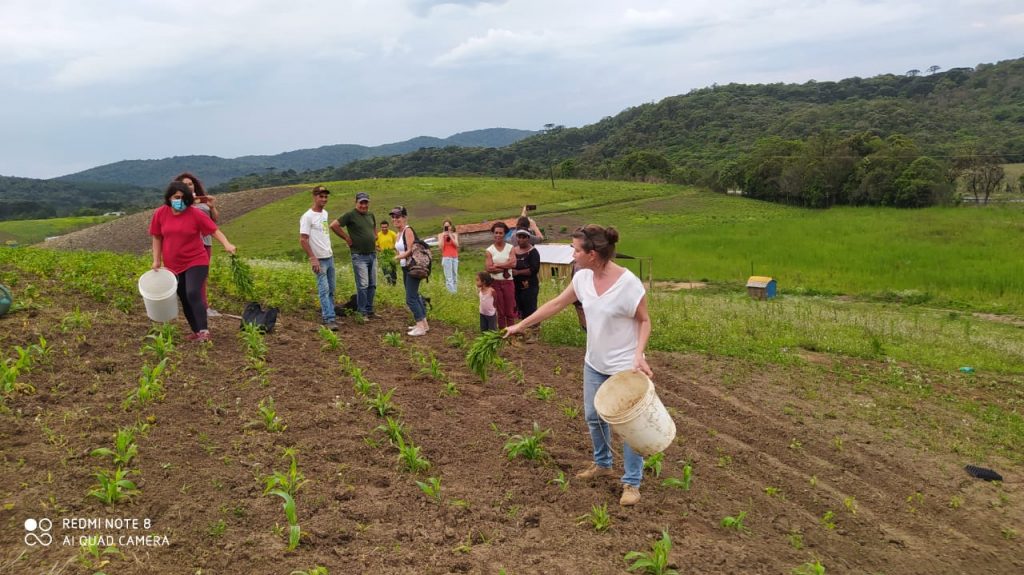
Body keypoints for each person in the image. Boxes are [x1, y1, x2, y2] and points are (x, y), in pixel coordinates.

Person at [505, 224, 651, 507]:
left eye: (575, 249)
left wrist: (640, 354)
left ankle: (632, 483)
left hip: (623, 366)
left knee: (629, 426)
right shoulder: (583, 278)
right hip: (594, 362)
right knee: (593, 416)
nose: (572, 255)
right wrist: (521, 325)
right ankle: (603, 464)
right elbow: (557, 303)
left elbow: (644, 320)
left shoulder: (628, 283)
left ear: (592, 254)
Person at [149, 180, 237, 342]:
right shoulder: (160, 213)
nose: (179, 201)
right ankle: (196, 331)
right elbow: (157, 237)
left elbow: (214, 230)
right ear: (169, 197)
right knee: (183, 296)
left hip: (196, 260)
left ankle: (204, 331)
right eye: (176, 197)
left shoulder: (195, 213)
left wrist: (227, 244)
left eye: (183, 198)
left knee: (193, 292)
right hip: (173, 264)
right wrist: (156, 260)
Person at [173, 172, 220, 317]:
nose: (188, 186)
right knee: (186, 278)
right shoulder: (178, 202)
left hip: (205, 242)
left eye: (190, 184)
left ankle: (203, 307)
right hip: (188, 245)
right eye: (184, 185)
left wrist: (211, 207)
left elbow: (213, 221)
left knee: (202, 277)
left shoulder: (202, 201)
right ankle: (195, 306)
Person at [330, 192, 377, 319]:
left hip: (372, 254)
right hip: (359, 255)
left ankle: (369, 309)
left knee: (372, 284)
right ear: (356, 202)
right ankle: (361, 312)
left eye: (365, 202)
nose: (363, 205)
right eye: (361, 202)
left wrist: (374, 237)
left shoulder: (371, 215)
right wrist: (346, 238)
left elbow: (374, 227)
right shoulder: (350, 215)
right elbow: (334, 225)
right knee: (363, 285)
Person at [299, 186, 337, 330]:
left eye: (326, 197)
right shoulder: (308, 216)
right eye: (321, 196)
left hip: (329, 256)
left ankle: (331, 312)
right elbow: (303, 239)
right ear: (314, 197)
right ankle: (329, 318)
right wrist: (312, 258)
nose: (324, 199)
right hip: (319, 259)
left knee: (332, 288)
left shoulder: (325, 214)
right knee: (324, 288)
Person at [391, 206, 429, 336]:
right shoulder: (398, 234)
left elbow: (411, 250)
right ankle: (424, 324)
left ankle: (420, 326)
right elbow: (400, 250)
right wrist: (396, 256)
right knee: (414, 295)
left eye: (398, 216)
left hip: (413, 267)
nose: (395, 219)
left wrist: (397, 257)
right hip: (405, 267)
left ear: (405, 218)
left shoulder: (408, 230)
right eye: (394, 217)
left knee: (410, 298)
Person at [484, 221, 517, 329]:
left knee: (510, 310)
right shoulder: (489, 250)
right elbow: (489, 269)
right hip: (495, 283)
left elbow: (514, 263)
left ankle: (512, 333)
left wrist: (497, 265)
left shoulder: (510, 248)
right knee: (500, 311)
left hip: (508, 282)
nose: (498, 235)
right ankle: (503, 333)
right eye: (496, 232)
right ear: (493, 233)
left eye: (500, 233)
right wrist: (506, 266)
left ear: (505, 234)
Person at [511, 228, 541, 334]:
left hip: (530, 285)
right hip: (516, 285)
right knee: (520, 306)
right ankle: (523, 330)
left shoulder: (533, 252)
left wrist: (518, 273)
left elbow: (534, 269)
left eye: (524, 237)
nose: (521, 239)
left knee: (530, 307)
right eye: (519, 237)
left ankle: (534, 330)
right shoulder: (513, 250)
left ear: (528, 238)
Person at [438, 219, 460, 294]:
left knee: (455, 275)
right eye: (445, 226)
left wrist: (450, 235)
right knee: (449, 277)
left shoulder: (454, 234)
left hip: (454, 257)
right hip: (446, 257)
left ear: (451, 226)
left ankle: (455, 292)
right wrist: (443, 236)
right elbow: (441, 247)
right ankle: (452, 293)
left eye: (448, 226)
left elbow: (457, 245)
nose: (447, 227)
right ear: (443, 227)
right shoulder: (440, 235)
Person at [375, 220, 398, 286]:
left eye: (385, 227)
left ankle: (394, 283)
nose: (384, 229)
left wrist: (397, 253)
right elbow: (376, 246)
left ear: (388, 227)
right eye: (383, 227)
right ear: (381, 227)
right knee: (385, 270)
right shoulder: (378, 235)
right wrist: (381, 251)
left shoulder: (393, 234)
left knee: (393, 270)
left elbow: (397, 244)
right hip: (383, 255)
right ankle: (389, 283)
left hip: (391, 254)